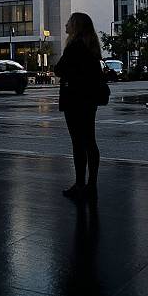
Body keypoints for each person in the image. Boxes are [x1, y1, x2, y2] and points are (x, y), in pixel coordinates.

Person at [54, 12, 103, 200]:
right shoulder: (90, 47)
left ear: (75, 26)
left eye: (68, 22)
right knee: (90, 141)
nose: (65, 24)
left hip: (74, 100)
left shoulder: (74, 47)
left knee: (78, 143)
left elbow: (59, 69)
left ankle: (80, 184)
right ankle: (91, 184)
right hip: (89, 100)